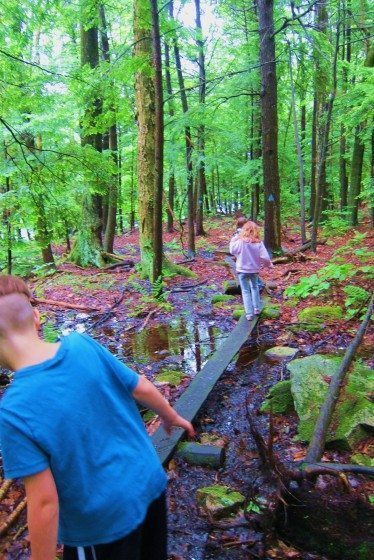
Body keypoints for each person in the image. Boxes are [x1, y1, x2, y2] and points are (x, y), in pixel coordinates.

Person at [0, 275, 195, 560]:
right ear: (37, 317)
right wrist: (171, 415)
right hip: (149, 483)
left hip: (102, 524)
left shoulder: (14, 410)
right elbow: (140, 386)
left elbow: (44, 503)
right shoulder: (82, 345)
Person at [229, 221, 273, 321]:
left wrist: (236, 237)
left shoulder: (240, 242)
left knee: (245, 291)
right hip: (254, 270)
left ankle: (249, 314)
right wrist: (268, 265)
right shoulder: (258, 243)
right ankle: (256, 308)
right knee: (254, 287)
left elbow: (232, 250)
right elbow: (265, 257)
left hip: (242, 271)